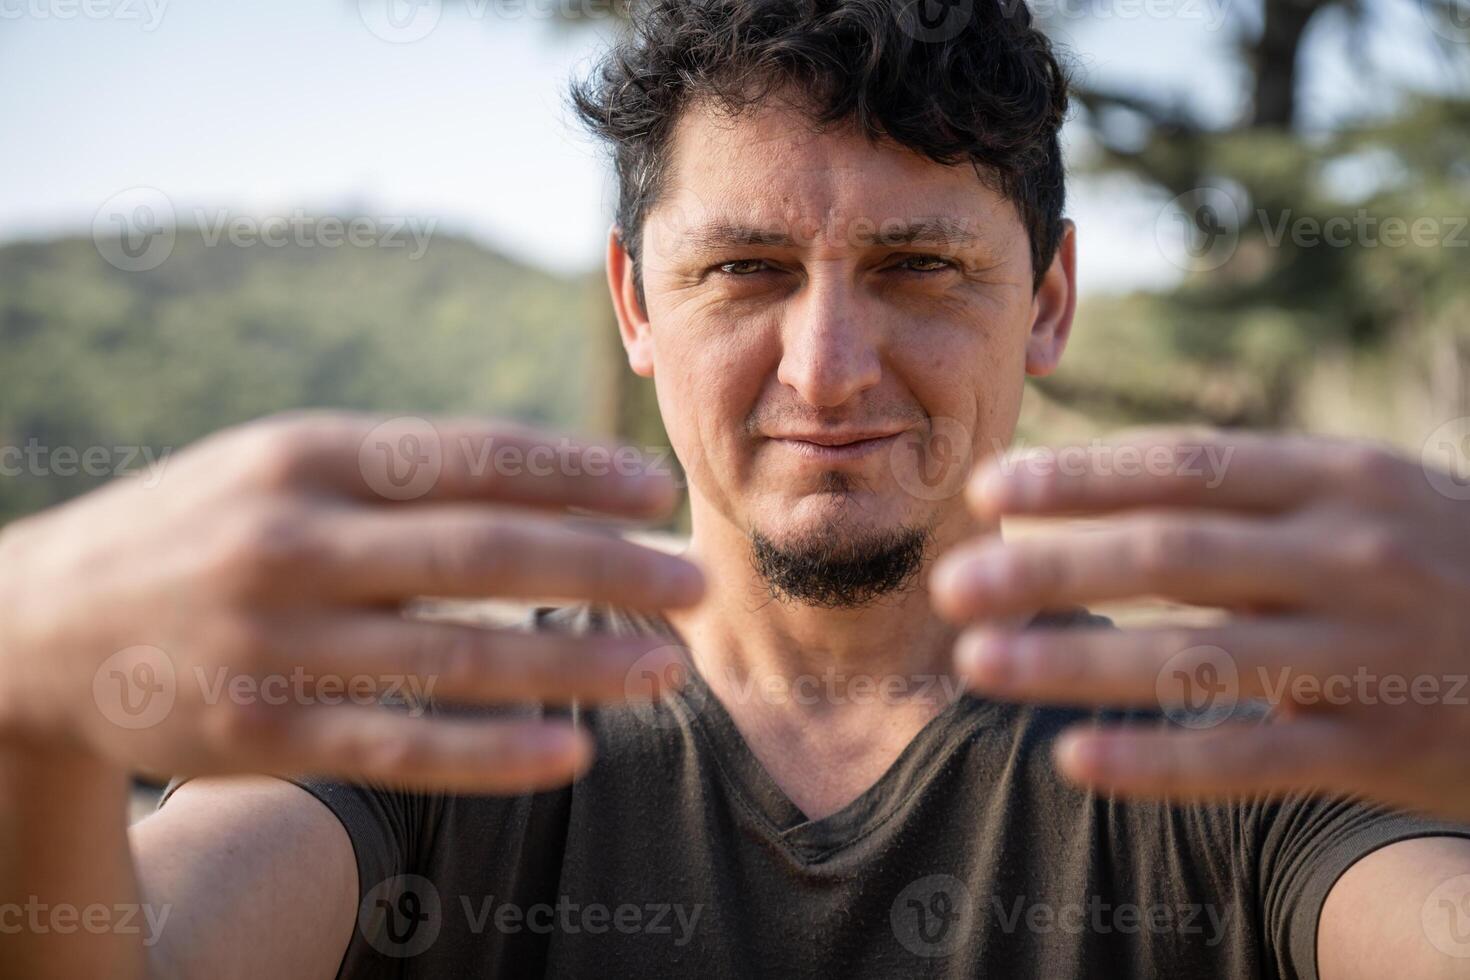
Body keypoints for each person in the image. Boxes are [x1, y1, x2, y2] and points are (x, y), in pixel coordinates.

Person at [4, 1, 1470, 977]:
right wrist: (32, 683)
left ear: (1048, 297)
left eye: (919, 268)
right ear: (636, 306)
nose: (826, 367)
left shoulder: (1243, 759)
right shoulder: (422, 713)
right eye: (743, 272)